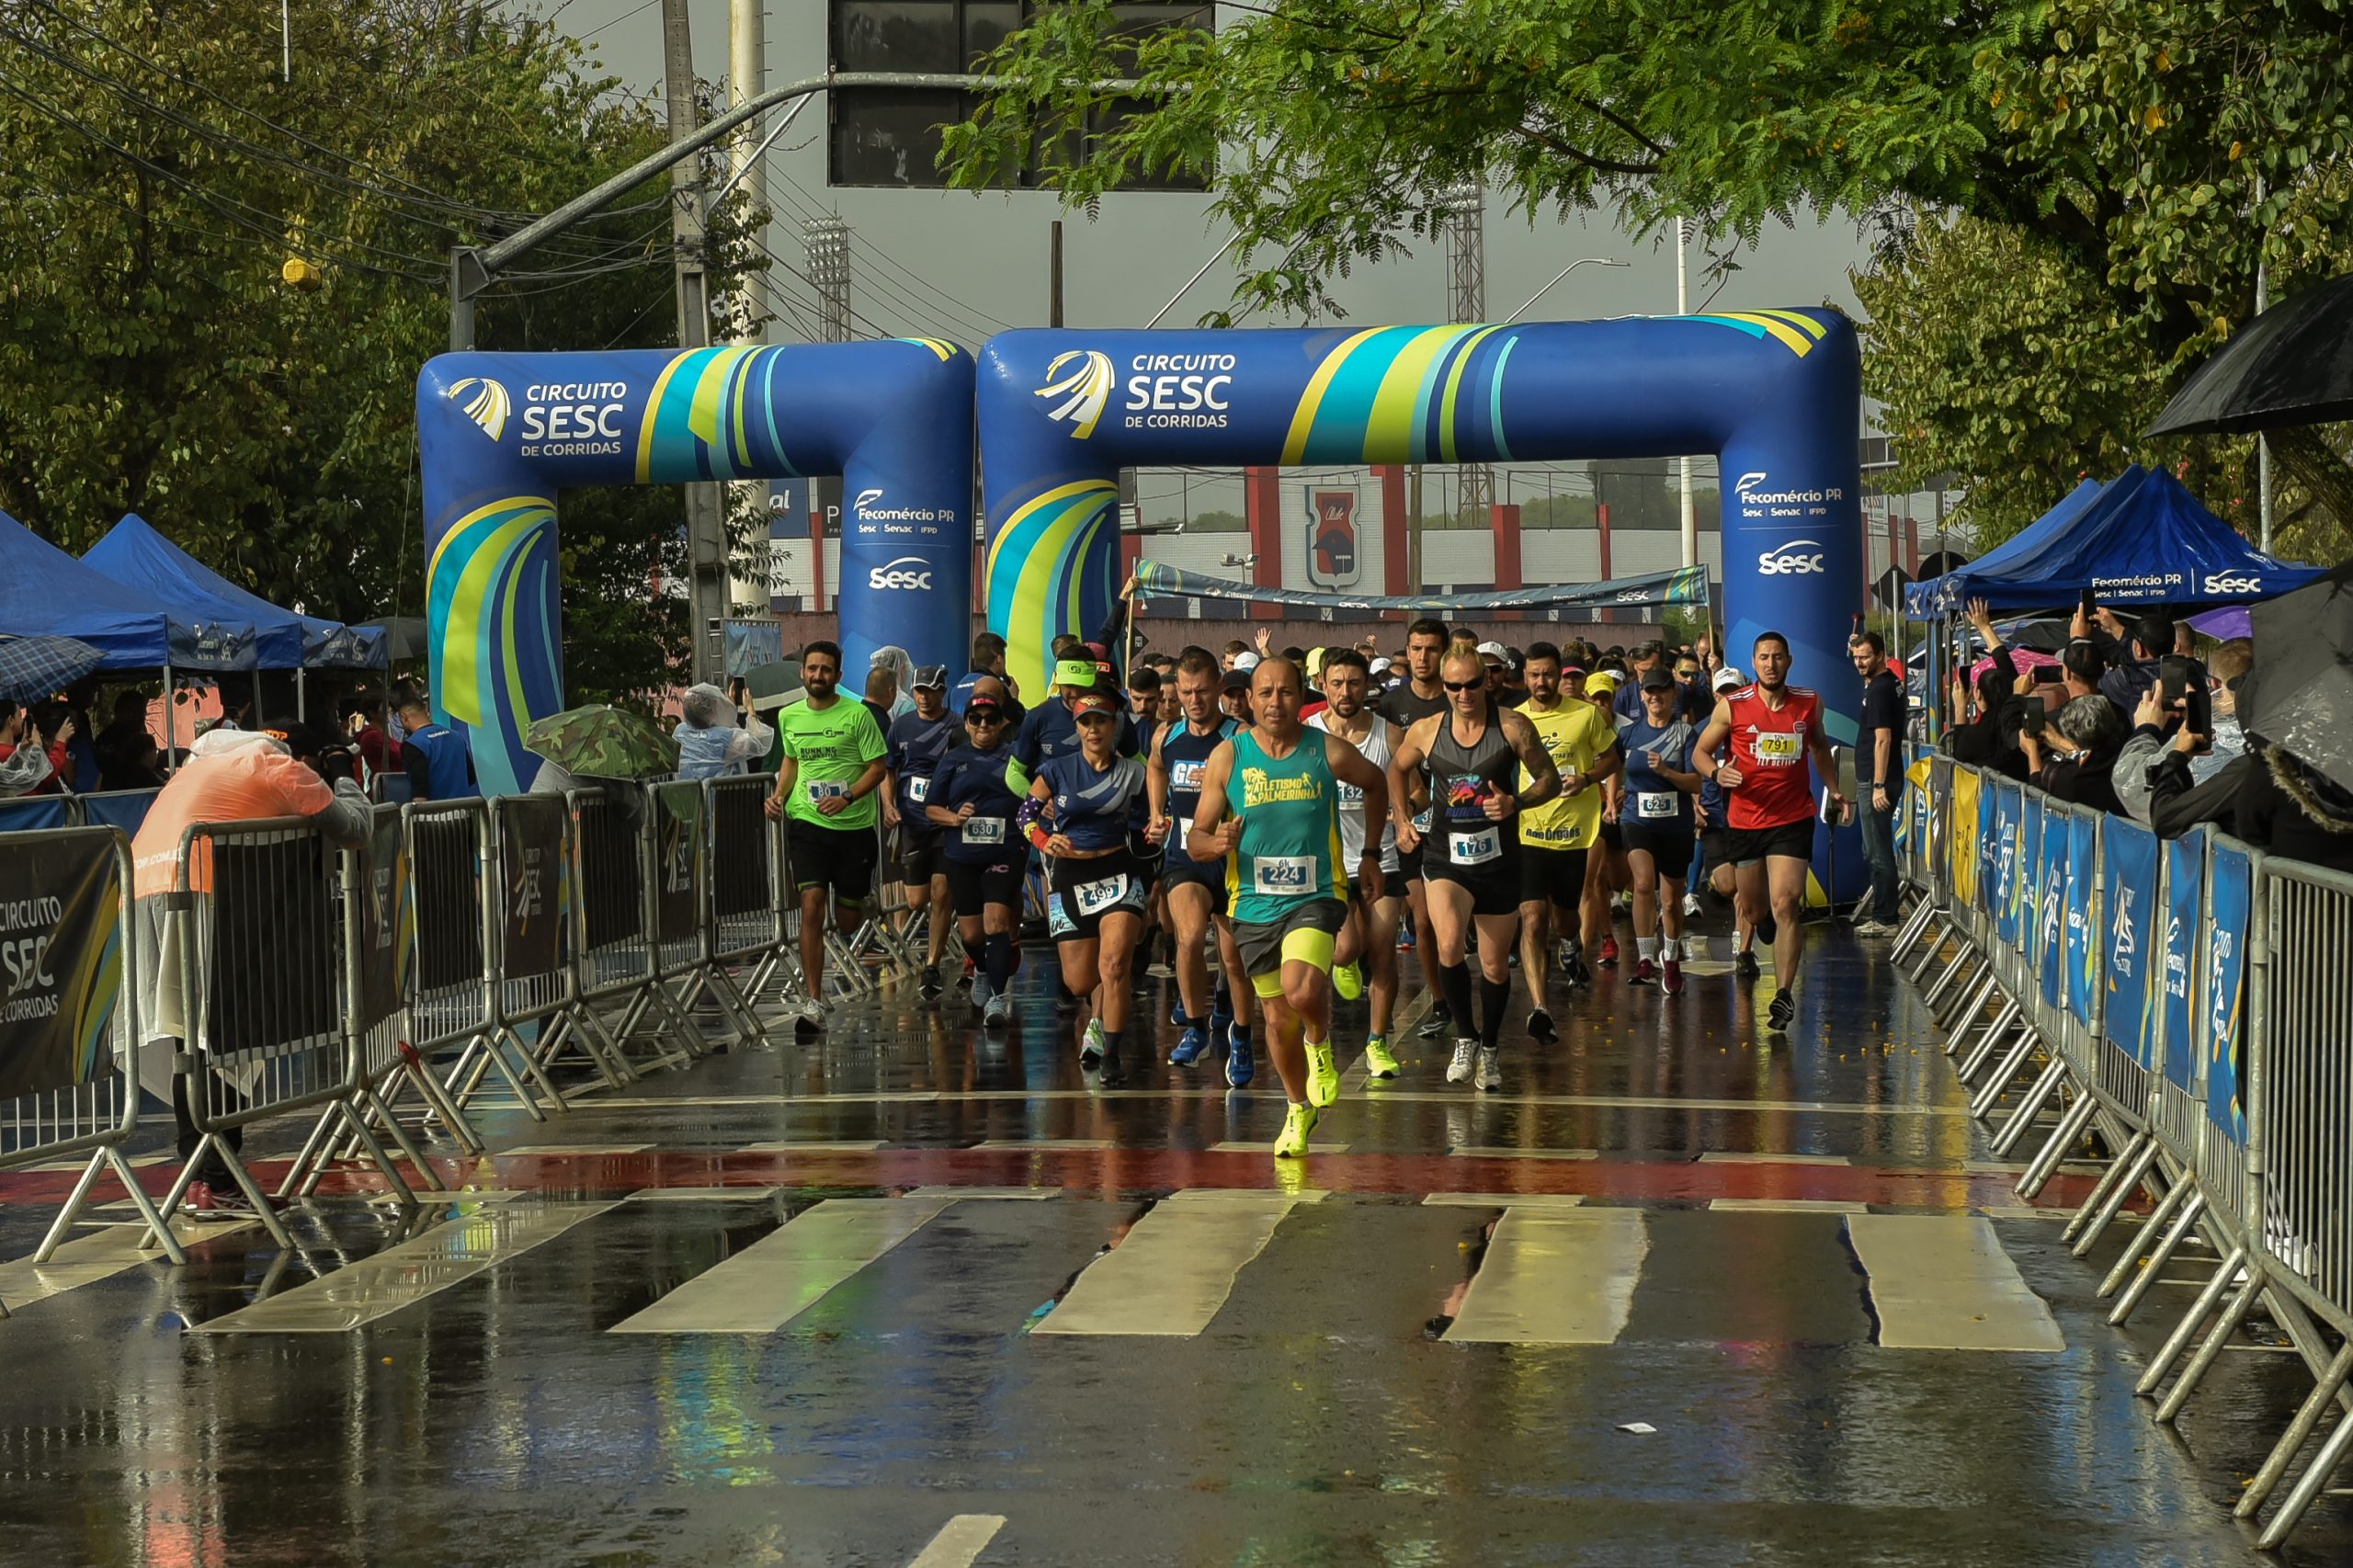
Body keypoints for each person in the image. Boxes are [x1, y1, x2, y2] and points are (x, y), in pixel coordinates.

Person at [130, 726, 371, 1213]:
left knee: (189, 1037)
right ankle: (216, 1177)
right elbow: (355, 828)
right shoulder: (274, 764)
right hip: (216, 892)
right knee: (223, 1038)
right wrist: (345, 773)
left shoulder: (191, 772)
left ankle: (201, 1175)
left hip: (147, 894)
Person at [1187, 657, 1388, 1156]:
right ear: (1249, 701)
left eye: (1286, 692)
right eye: (1266, 693)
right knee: (1276, 1020)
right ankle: (1298, 1109)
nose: (1276, 702)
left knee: (1302, 990)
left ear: (1303, 697)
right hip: (1252, 904)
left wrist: (1368, 854)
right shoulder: (1229, 757)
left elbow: (1377, 783)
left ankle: (1320, 1039)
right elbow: (1195, 839)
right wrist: (1216, 845)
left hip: (1316, 894)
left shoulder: (1326, 750)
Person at [1389, 642, 1562, 1091]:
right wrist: (1404, 819)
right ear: (1443, 686)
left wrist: (1517, 801)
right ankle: (1464, 1038)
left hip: (1500, 861)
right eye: (1454, 686)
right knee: (1448, 946)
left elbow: (1551, 779)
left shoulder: (1512, 726)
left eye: (1471, 684)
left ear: (1487, 681)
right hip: (1446, 856)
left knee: (1494, 967)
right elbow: (1396, 768)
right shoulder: (1428, 730)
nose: (1464, 694)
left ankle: (1489, 1047)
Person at [1692, 631, 1848, 1033]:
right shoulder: (1733, 706)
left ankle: (1783, 994)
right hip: (1746, 821)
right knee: (1756, 908)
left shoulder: (1809, 703)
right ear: (1755, 662)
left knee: (1786, 903)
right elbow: (1699, 752)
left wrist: (1834, 788)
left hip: (1793, 818)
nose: (1771, 664)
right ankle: (1759, 923)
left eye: (1778, 657)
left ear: (1789, 661)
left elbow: (1817, 748)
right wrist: (1716, 772)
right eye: (1764, 657)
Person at [1021, 690, 1153, 1084]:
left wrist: (1153, 830)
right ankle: (1096, 1013)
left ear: (1114, 726)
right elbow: (1024, 816)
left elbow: (1150, 821)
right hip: (1069, 877)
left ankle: (1111, 1054)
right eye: (1085, 722)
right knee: (1080, 980)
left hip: (1118, 874)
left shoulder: (1135, 773)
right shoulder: (1056, 770)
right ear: (1076, 727)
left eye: (1101, 721)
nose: (1093, 729)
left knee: (1114, 965)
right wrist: (1045, 840)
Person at [765, 641, 889, 1031]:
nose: (818, 675)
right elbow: (791, 759)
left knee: (848, 920)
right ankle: (814, 1001)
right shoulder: (788, 716)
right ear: (803, 672)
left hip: (853, 828)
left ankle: (859, 902)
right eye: (812, 668)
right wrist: (780, 795)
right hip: (807, 824)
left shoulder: (858, 716)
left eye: (826, 669)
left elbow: (878, 768)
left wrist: (847, 796)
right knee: (811, 902)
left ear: (838, 675)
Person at [1148, 648, 1256, 1084]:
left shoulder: (1240, 736)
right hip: (1186, 856)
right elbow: (1156, 768)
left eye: (1203, 692)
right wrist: (1158, 811)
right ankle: (1195, 1029)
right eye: (1185, 692)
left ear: (1219, 689)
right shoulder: (1167, 737)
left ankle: (1243, 1035)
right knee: (1190, 938)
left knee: (1234, 960)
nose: (1194, 700)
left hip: (1233, 859)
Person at [1511, 642, 1620, 1040]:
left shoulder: (1587, 715)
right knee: (1533, 919)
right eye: (1534, 675)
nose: (1542, 682)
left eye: (1548, 675)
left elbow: (1612, 759)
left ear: (1561, 675)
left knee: (1563, 918)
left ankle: (1572, 942)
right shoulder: (1514, 719)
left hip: (1574, 836)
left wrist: (1588, 779)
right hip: (1529, 831)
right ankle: (1541, 1005)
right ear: (1524, 677)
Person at [1308, 648, 1405, 1076]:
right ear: (1322, 685)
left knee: (1384, 951)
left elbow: (1414, 792)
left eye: (1353, 683)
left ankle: (1377, 1042)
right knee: (1346, 948)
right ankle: (1344, 962)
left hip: (1380, 856)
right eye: (1337, 683)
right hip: (1327, 862)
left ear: (1367, 686)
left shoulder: (1391, 735)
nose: (1345, 692)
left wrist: (1398, 812)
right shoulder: (1306, 733)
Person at [925, 692, 1026, 1023]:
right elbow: (931, 807)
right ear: (967, 724)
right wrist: (954, 818)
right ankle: (982, 968)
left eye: (991, 719)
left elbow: (1033, 796)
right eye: (976, 719)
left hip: (1005, 851)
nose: (984, 725)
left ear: (1001, 724)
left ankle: (998, 997)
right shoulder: (952, 759)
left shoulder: (1013, 758)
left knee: (996, 922)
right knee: (971, 935)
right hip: (962, 855)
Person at [1377, 618, 1454, 1040]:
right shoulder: (1391, 705)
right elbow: (1390, 765)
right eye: (1416, 649)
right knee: (1424, 922)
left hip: (1461, 823)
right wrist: (1402, 810)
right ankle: (1440, 1002)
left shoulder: (1459, 695)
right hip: (1413, 827)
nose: (1423, 658)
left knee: (1459, 923)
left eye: (1431, 649)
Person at [1616, 665, 1704, 994]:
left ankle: (1671, 956)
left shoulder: (1685, 734)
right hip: (1636, 820)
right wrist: (1611, 796)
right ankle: (1644, 957)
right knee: (1641, 883)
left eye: (1662, 691)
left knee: (1670, 901)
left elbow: (1696, 781)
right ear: (1642, 695)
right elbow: (1612, 767)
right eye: (1649, 692)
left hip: (1675, 825)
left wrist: (1667, 771)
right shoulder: (1628, 734)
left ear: (1672, 695)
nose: (1655, 697)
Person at [883, 665, 959, 1000]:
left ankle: (932, 966)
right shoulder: (901, 725)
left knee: (942, 894)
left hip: (945, 822)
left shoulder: (958, 726)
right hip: (912, 823)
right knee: (916, 900)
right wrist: (888, 804)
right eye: (918, 691)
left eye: (930, 691)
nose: (924, 697)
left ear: (942, 692)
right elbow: (889, 768)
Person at [1851, 631, 1906, 933]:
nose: (1859, 663)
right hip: (1878, 777)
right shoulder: (1884, 684)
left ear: (1881, 655)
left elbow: (1882, 739)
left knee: (1877, 851)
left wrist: (1877, 785)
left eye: (1865, 657)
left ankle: (1886, 918)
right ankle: (1885, 914)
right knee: (1873, 848)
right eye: (1856, 657)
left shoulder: (1879, 690)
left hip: (1877, 780)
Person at [2022, 693, 2127, 813]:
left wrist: (2032, 751)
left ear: (2073, 739)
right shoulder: (2126, 757)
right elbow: (2092, 753)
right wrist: (2058, 741)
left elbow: (2037, 791)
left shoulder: (2067, 778)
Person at [674, 682, 773, 781]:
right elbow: (760, 741)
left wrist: (730, 710)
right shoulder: (724, 739)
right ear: (712, 709)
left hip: (687, 794)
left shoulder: (680, 732)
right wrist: (750, 710)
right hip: (721, 795)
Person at [397, 693, 477, 801]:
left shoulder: (414, 744)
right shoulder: (456, 736)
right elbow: (471, 777)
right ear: (427, 713)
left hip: (435, 814)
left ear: (404, 717)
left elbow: (420, 790)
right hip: (464, 811)